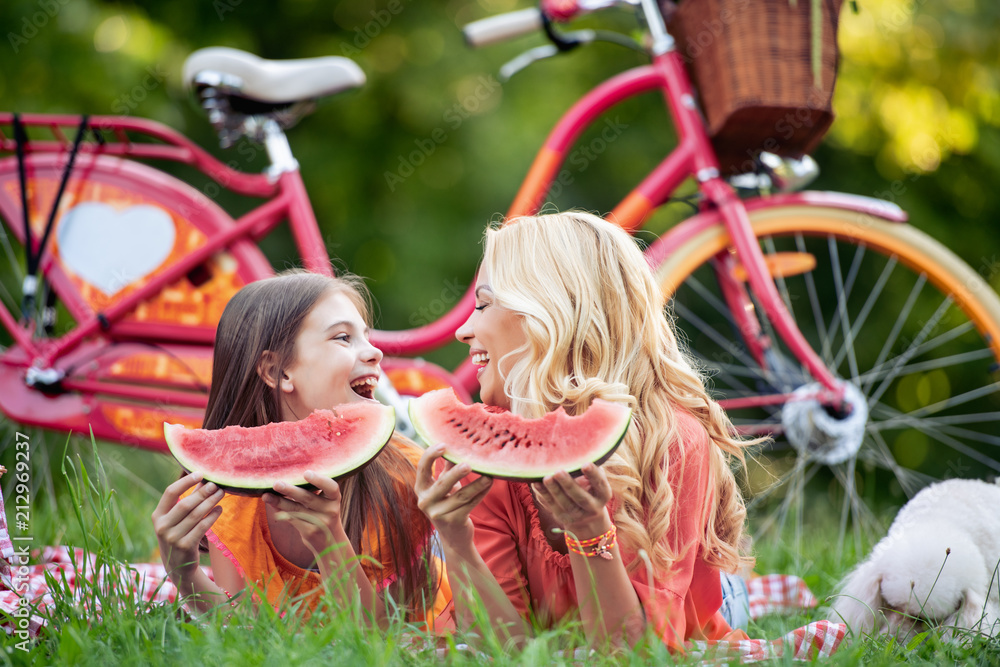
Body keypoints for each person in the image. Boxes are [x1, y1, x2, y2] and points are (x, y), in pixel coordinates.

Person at [415, 211, 753, 649]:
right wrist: (457, 542)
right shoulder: (488, 456)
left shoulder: (669, 442)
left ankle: (744, 589)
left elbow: (634, 654)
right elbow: (502, 652)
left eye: (482, 304)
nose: (464, 330)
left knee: (733, 596)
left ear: (550, 313)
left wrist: (590, 534)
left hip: (683, 628)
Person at [152, 270, 449, 627]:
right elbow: (245, 631)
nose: (374, 352)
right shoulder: (233, 497)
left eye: (366, 337)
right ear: (278, 371)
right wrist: (184, 575)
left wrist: (331, 546)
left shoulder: (404, 477)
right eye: (344, 338)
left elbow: (390, 640)